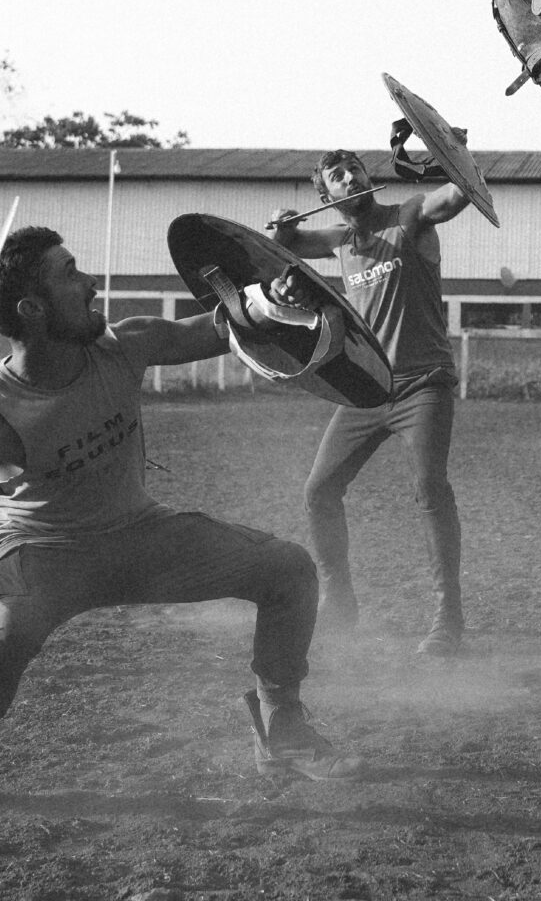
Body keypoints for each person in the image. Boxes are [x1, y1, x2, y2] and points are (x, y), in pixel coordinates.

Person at [0, 225, 358, 780]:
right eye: (70, 274)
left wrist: (273, 301)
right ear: (32, 309)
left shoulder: (123, 347)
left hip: (139, 534)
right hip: (47, 553)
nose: (92, 283)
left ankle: (282, 729)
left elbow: (219, 328)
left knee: (288, 570)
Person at [269, 146, 470, 657]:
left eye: (354, 169)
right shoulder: (341, 241)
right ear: (327, 196)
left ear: (367, 178)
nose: (349, 176)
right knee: (319, 491)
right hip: (367, 388)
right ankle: (339, 602)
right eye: (337, 176)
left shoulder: (406, 217)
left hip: (424, 382)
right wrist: (282, 229)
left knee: (429, 488)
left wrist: (453, 153)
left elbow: (455, 196)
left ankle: (448, 620)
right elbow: (286, 244)